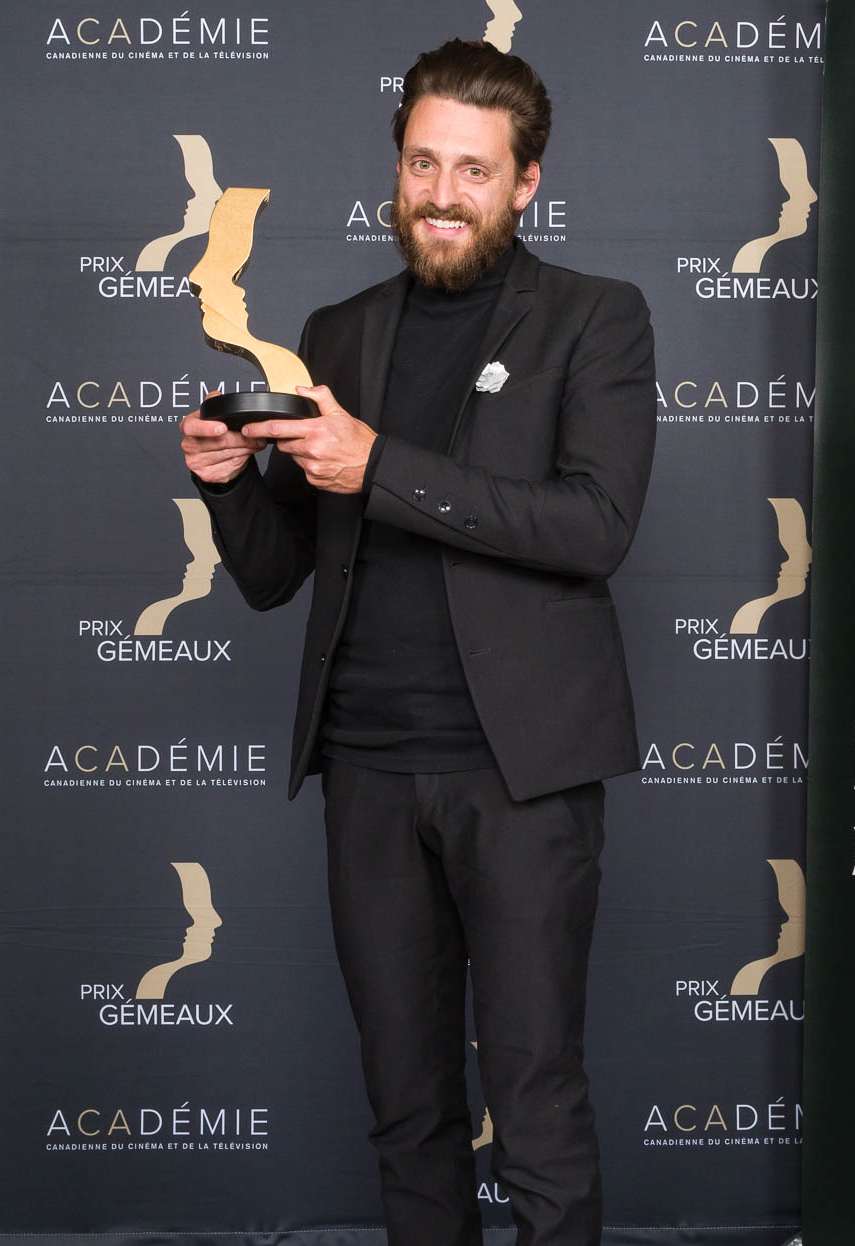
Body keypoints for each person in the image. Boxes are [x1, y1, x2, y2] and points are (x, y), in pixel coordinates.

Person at [178, 38, 654, 1246]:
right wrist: (225, 482)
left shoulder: (596, 319)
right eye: (422, 164)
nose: (443, 194)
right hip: (370, 773)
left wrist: (381, 464)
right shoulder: (335, 334)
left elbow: (595, 525)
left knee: (536, 1104)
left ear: (526, 182)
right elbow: (277, 575)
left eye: (474, 171)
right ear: (396, 167)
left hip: (523, 776)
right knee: (407, 1106)